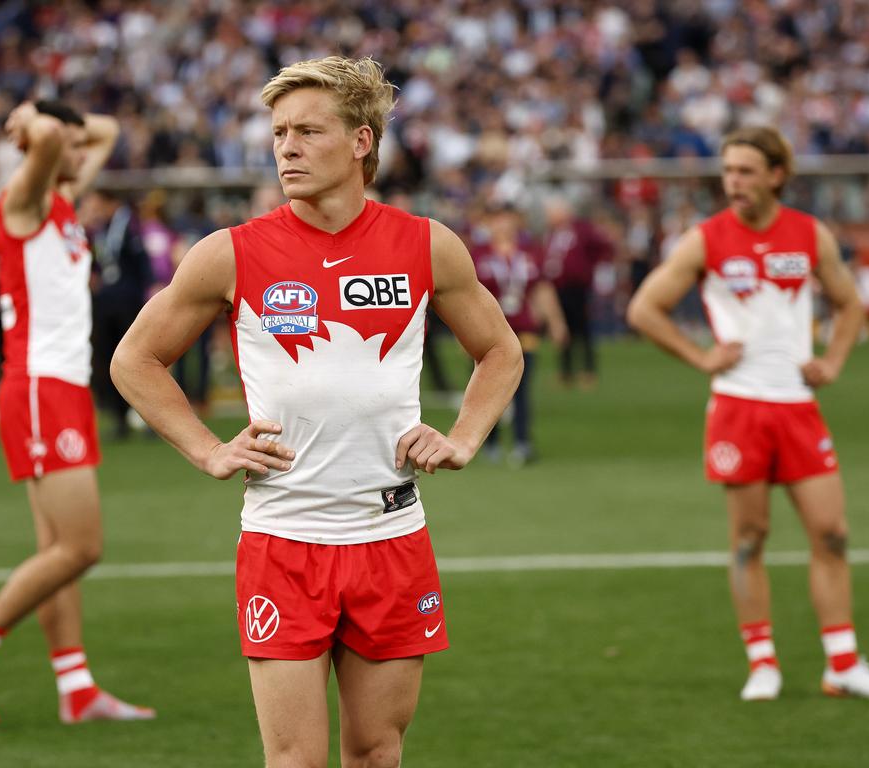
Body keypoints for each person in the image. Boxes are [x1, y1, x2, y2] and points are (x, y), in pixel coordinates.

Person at [111, 56, 522, 767]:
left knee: (376, 753)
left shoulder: (426, 245)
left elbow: (502, 352)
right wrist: (208, 450)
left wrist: (464, 436)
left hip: (391, 534)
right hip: (283, 539)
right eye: (278, 133)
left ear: (361, 142)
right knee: (295, 761)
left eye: (307, 131)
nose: (287, 148)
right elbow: (133, 360)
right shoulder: (230, 254)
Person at [627, 125, 869, 701]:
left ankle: (843, 661)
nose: (732, 182)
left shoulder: (810, 234)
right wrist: (702, 357)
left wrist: (833, 361)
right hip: (738, 410)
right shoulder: (706, 239)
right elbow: (645, 309)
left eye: (745, 171)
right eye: (728, 171)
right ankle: (762, 661)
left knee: (832, 534)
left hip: (797, 407)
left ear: (775, 175)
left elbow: (851, 304)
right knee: (749, 539)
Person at [0, 100, 155, 724]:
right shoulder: (25, 198)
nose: (80, 149)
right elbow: (43, 143)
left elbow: (110, 129)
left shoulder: (62, 200)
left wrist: (58, 123)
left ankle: (76, 687)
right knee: (82, 547)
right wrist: (31, 119)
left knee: (55, 547)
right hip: (39, 388)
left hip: (60, 388)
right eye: (67, 140)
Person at [473, 204, 567, 465]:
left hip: (523, 333)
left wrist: (556, 322)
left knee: (522, 390)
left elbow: (542, 289)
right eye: (496, 220)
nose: (502, 225)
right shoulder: (478, 255)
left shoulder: (528, 254)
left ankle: (522, 443)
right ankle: (487, 444)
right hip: (488, 336)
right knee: (487, 391)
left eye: (507, 220)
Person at [81, 189, 152, 439]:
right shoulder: (98, 228)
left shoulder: (128, 224)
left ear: (109, 202)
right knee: (109, 360)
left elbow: (142, 261)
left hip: (128, 301)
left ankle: (148, 418)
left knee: (135, 359)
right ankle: (120, 417)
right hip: (105, 302)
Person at [541, 194, 613, 388]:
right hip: (557, 288)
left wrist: (590, 268)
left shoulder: (581, 229)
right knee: (562, 329)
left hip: (577, 288)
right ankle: (566, 372)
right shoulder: (551, 233)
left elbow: (603, 246)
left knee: (583, 329)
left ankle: (588, 370)